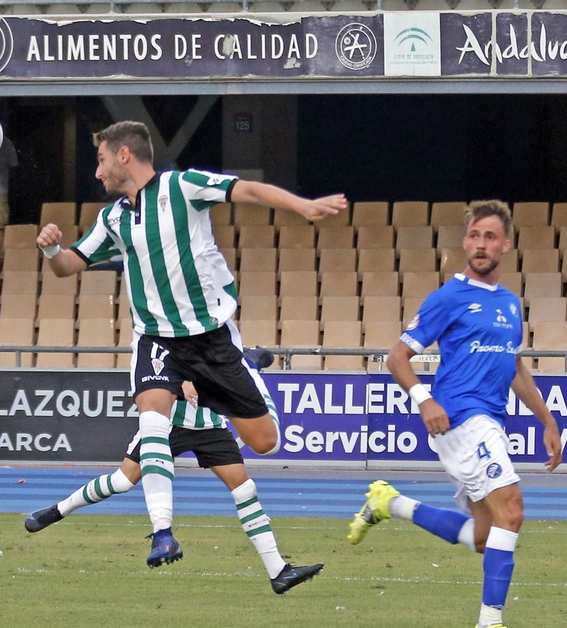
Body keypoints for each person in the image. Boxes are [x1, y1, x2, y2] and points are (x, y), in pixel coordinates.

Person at [37, 120, 346, 568]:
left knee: (264, 441)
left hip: (212, 341)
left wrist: (303, 206)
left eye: (102, 160)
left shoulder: (183, 187)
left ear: (124, 154)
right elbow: (68, 266)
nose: (97, 172)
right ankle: (163, 534)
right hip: (158, 338)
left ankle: (247, 372)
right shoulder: (113, 219)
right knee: (152, 414)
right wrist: (50, 249)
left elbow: (250, 191)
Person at [347, 200, 563, 628]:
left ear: (505, 244)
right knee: (513, 511)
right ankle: (490, 627)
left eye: (489, 237)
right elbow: (397, 357)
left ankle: (392, 504)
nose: (480, 245)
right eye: (474, 236)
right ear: (465, 242)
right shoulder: (449, 298)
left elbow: (514, 366)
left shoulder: (508, 303)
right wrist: (423, 399)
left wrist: (546, 420)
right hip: (464, 417)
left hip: (489, 419)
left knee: (487, 536)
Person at [25, 380, 323, 595]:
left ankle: (278, 572)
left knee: (245, 489)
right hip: (166, 424)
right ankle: (58, 510)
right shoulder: (172, 329)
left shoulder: (214, 332)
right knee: (122, 480)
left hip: (208, 425)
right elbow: (154, 371)